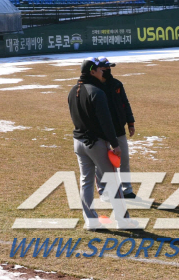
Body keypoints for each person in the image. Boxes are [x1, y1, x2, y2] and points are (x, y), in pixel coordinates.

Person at [68, 57, 135, 230]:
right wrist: (115, 144)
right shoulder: (97, 92)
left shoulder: (73, 91)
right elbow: (106, 122)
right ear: (92, 72)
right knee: (113, 181)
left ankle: (90, 220)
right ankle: (123, 221)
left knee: (86, 182)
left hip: (78, 142)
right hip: (96, 143)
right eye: (99, 69)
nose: (102, 71)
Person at [94, 60, 137, 199]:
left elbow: (125, 103)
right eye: (105, 67)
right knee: (101, 162)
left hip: (118, 127)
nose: (108, 69)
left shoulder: (117, 84)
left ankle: (127, 189)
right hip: (100, 130)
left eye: (109, 67)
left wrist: (130, 122)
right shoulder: (93, 86)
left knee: (124, 159)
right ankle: (103, 190)